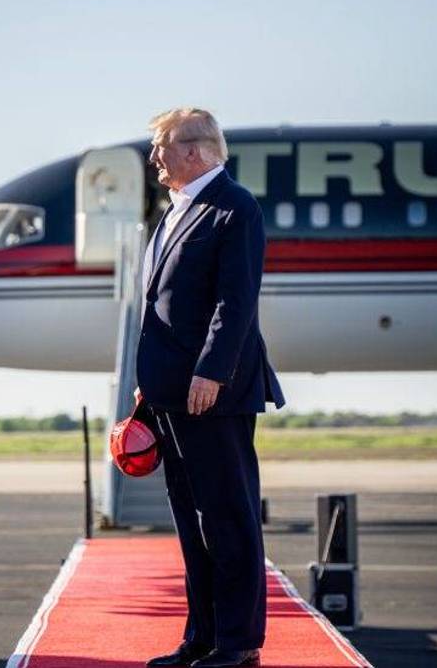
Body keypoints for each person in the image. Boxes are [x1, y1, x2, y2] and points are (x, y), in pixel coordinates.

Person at [137, 108, 285, 668]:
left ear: (195, 151)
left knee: (227, 517)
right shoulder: (173, 213)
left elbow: (237, 300)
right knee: (191, 518)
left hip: (213, 391)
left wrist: (212, 371)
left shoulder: (233, 207)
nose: (155, 157)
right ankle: (201, 636)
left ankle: (238, 642)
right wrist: (147, 388)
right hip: (171, 391)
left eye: (161, 147)